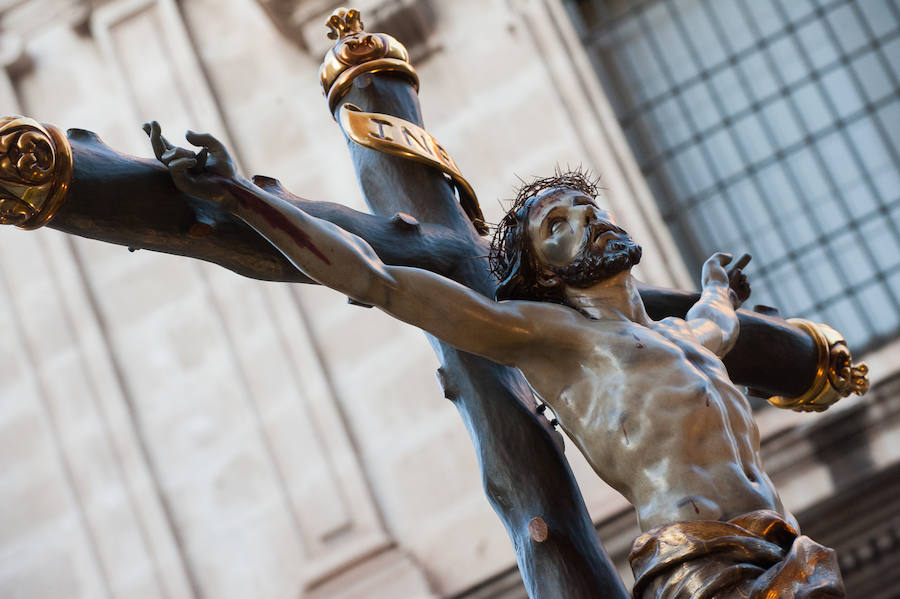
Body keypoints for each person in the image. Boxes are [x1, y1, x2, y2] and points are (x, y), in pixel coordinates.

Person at [146, 122, 844, 598]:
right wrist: (241, 197)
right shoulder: (555, 340)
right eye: (557, 225)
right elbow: (375, 279)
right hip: (702, 566)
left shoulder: (690, 338)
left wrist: (720, 284)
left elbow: (715, 315)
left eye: (584, 207)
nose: (585, 220)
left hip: (785, 541)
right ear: (544, 271)